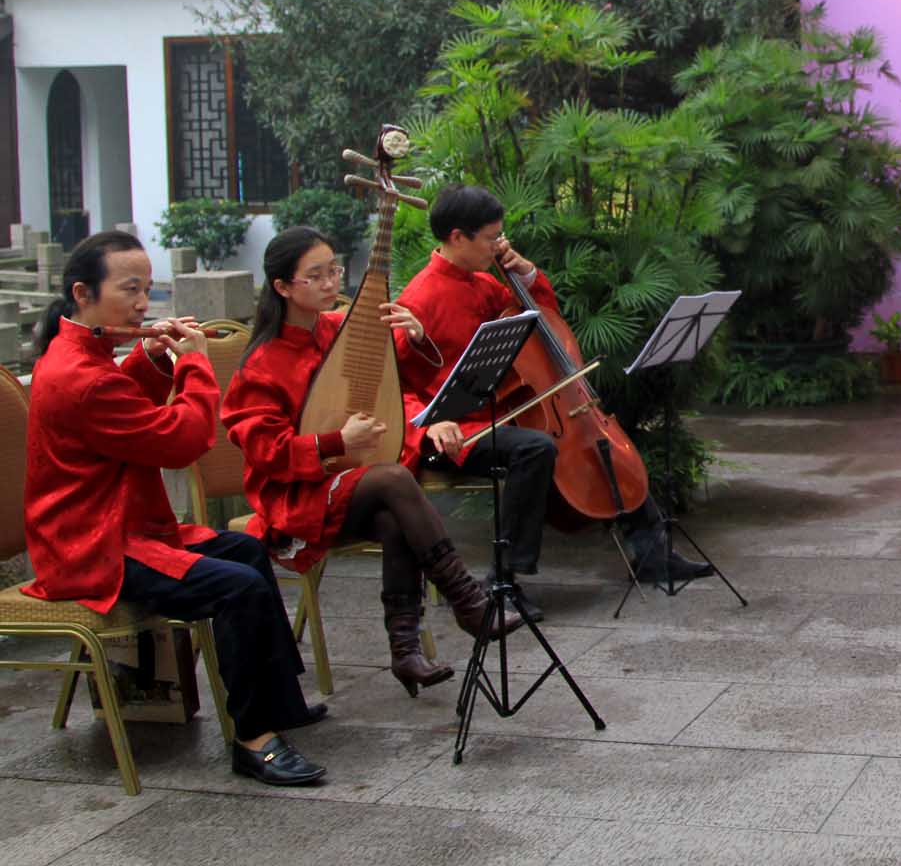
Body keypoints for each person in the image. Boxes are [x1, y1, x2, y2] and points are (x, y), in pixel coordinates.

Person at [22, 232, 327, 786]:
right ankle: (254, 737)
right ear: (83, 294)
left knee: (246, 549)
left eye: (146, 288)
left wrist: (150, 356)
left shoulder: (77, 353)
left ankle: (280, 702)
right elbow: (181, 441)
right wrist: (195, 366)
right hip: (91, 547)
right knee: (238, 587)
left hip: (116, 526)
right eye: (130, 290)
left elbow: (118, 395)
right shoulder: (79, 375)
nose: (143, 303)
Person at [222, 227, 516, 698]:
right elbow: (266, 452)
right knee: (395, 480)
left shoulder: (340, 329)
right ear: (282, 287)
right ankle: (470, 602)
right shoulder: (262, 364)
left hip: (355, 482)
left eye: (333, 270)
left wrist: (415, 337)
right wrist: (335, 441)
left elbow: (394, 390)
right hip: (297, 493)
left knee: (394, 514)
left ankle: (406, 650)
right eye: (315, 275)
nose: (330, 283)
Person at [397, 184, 712, 618]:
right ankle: (503, 579)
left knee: (601, 439)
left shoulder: (484, 284)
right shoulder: (417, 299)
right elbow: (392, 388)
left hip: (503, 412)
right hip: (453, 431)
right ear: (457, 237)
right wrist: (429, 423)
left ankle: (652, 552)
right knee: (536, 447)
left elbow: (544, 321)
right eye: (490, 238)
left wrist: (526, 274)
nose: (499, 245)